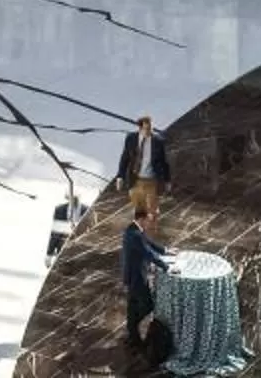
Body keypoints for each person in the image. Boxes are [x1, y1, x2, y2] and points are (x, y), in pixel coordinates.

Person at [121, 206, 173, 353]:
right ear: (141, 219)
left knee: (132, 306)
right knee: (148, 305)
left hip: (131, 276)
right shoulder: (135, 234)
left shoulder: (133, 229)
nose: (149, 223)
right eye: (148, 220)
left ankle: (133, 337)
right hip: (137, 276)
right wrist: (166, 267)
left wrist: (165, 251)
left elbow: (148, 243)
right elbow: (147, 253)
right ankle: (132, 327)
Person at [117, 113, 172, 219]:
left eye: (151, 128)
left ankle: (151, 227)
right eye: (146, 129)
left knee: (152, 211)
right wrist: (120, 176)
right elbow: (125, 158)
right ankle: (141, 231)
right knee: (139, 211)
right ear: (140, 128)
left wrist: (167, 180)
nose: (149, 131)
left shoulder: (158, 141)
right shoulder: (131, 138)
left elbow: (164, 162)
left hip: (151, 180)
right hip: (135, 179)